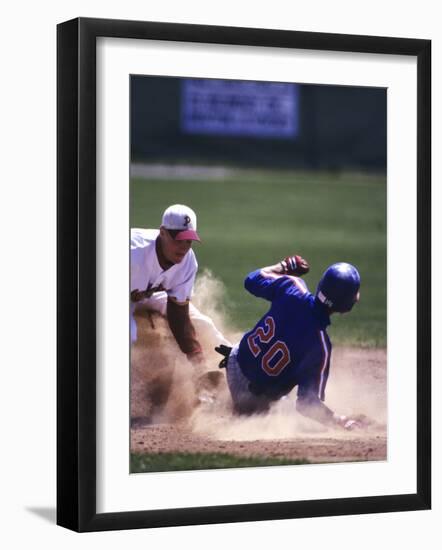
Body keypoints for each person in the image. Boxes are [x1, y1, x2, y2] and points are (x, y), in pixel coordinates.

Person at [218, 259, 362, 430]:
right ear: (347, 307)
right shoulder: (320, 346)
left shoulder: (293, 286)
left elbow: (251, 280)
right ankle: (235, 410)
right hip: (252, 401)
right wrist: (340, 421)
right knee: (291, 417)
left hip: (234, 362)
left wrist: (285, 267)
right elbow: (306, 404)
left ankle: (215, 398)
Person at [131, 204, 227, 363]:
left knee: (204, 324)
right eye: (178, 239)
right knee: (129, 333)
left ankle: (234, 368)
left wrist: (196, 358)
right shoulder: (132, 252)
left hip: (149, 294)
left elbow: (178, 313)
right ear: (162, 232)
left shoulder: (188, 261)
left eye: (189, 241)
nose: (184, 247)